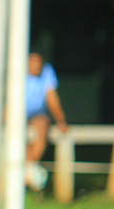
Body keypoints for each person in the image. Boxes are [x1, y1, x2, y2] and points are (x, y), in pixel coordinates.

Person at [26, 52, 68, 191]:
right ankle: (29, 173)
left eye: (39, 63)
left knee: (42, 125)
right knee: (18, 137)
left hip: (37, 115)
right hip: (17, 112)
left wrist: (60, 120)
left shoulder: (47, 71)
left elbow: (51, 97)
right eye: (33, 62)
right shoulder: (15, 70)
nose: (37, 66)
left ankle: (29, 171)